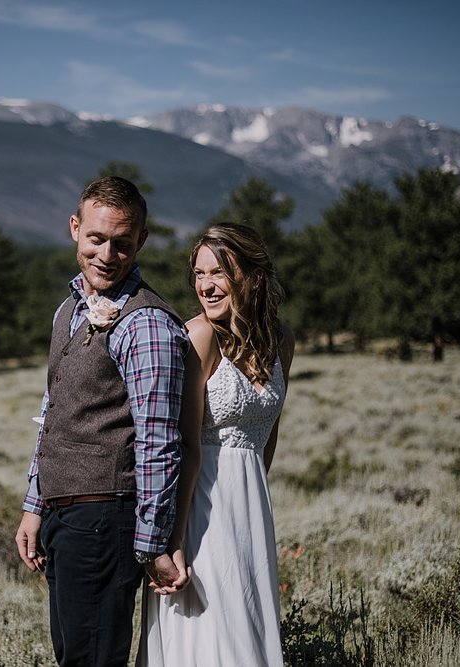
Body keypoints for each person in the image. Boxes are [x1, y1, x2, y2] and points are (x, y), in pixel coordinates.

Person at [14, 176, 191, 667]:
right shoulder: (66, 310)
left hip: (105, 519)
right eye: (96, 238)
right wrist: (35, 505)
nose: (107, 254)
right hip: (62, 515)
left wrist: (153, 542)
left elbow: (159, 441)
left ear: (141, 242)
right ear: (75, 228)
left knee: (92, 659)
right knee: (74, 653)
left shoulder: (147, 323)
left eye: (122, 243)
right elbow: (54, 413)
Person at [137, 222, 295, 666]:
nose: (205, 286)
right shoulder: (200, 338)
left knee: (249, 623)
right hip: (199, 507)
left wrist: (254, 509)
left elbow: (268, 437)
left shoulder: (282, 343)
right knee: (212, 634)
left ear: (252, 275)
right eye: (199, 274)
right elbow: (185, 444)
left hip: (250, 509)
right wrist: (174, 539)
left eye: (218, 273)